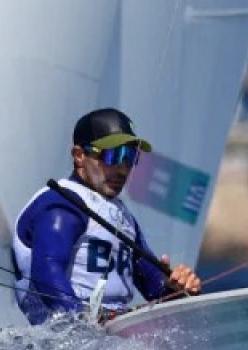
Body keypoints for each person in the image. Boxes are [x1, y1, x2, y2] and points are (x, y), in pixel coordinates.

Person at [12, 107, 202, 324]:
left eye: (130, 157)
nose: (123, 170)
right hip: (61, 342)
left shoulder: (123, 218)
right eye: (113, 156)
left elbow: (154, 291)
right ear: (79, 156)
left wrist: (176, 288)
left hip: (109, 336)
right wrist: (81, 319)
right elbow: (46, 269)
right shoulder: (61, 205)